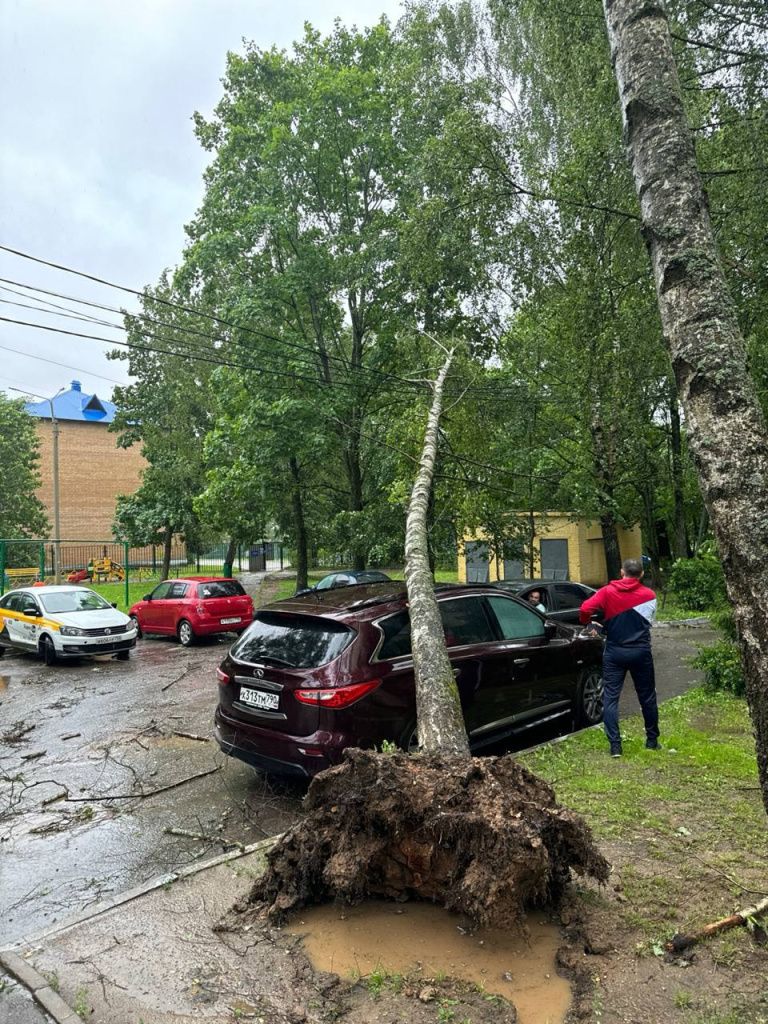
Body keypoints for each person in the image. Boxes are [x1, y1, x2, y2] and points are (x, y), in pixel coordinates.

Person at [579, 558, 659, 757]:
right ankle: (651, 741)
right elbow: (648, 621)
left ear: (621, 572)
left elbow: (584, 610)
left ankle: (615, 746)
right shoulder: (649, 595)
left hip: (614, 652)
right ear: (640, 574)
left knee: (611, 698)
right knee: (647, 697)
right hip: (641, 651)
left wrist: (589, 623)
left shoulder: (607, 592)